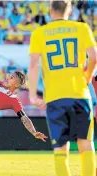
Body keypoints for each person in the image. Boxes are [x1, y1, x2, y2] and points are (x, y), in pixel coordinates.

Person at [28, 1, 97, 176]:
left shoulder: (39, 33)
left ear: (51, 11)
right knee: (86, 145)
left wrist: (33, 94)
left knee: (60, 150)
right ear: (70, 10)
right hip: (80, 93)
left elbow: (34, 64)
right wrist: (87, 77)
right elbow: (94, 57)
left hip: (55, 97)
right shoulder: (81, 28)